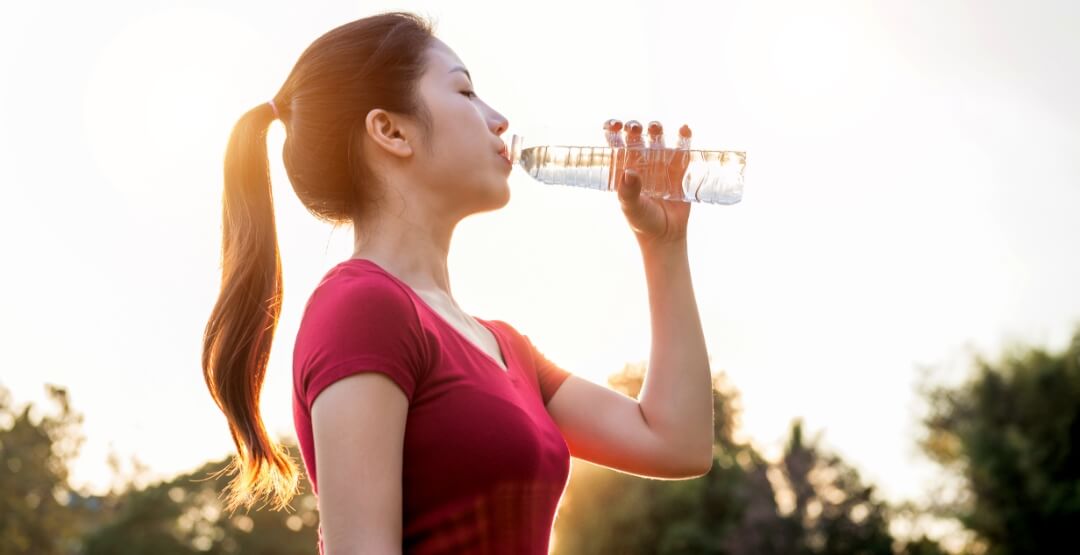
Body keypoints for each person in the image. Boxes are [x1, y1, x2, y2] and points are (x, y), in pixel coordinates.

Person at [201, 11, 714, 555]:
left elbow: (676, 443)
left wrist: (664, 245)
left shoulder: (507, 347)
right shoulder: (361, 306)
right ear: (391, 131)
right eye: (465, 92)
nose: (498, 120)